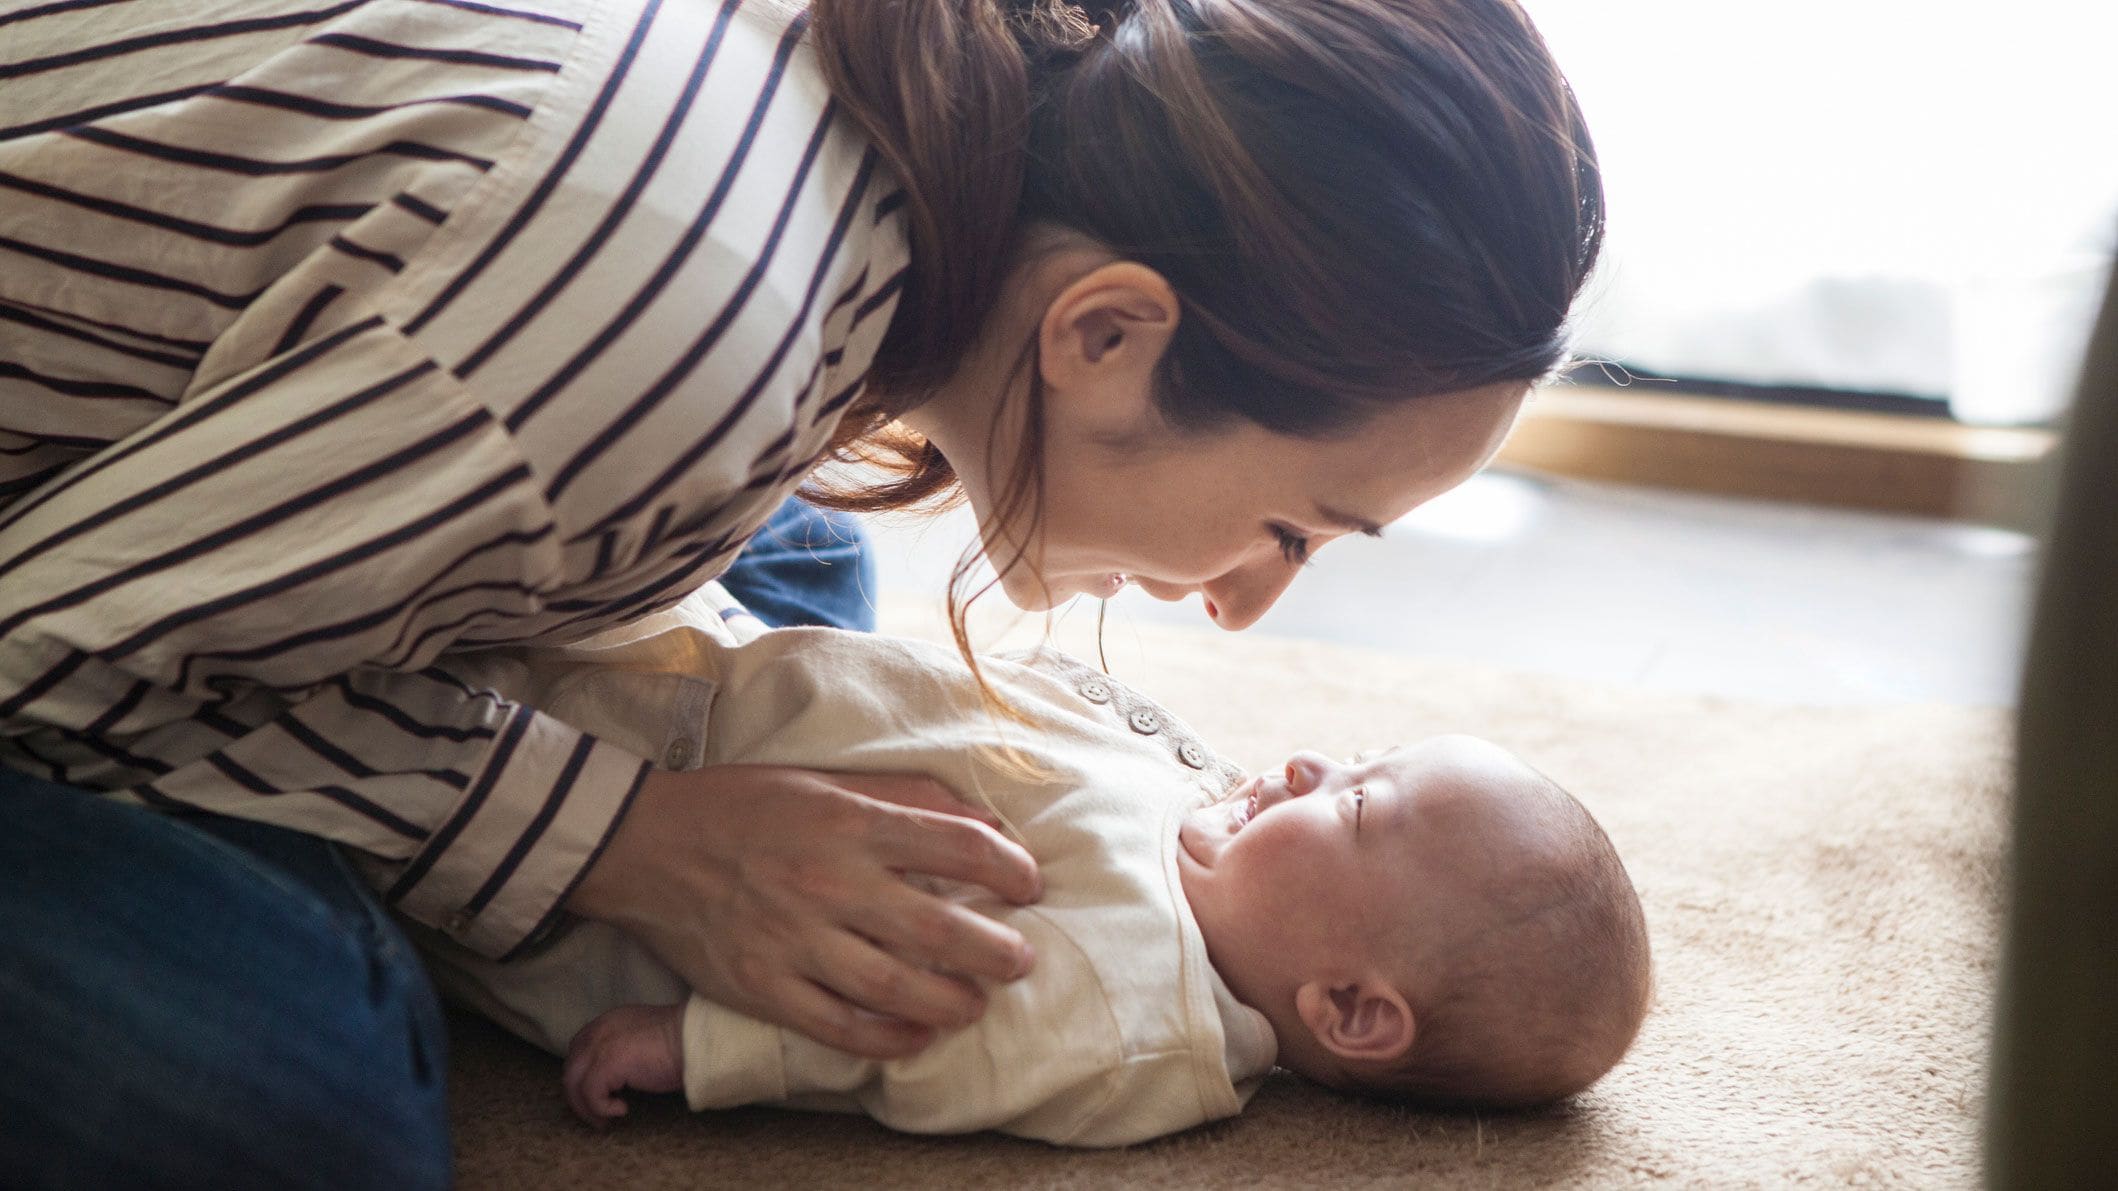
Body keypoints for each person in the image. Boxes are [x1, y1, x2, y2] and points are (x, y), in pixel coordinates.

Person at [0, 0, 1604, 1182]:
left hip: (276, 425)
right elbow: (42, 640)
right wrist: (620, 839)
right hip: (51, 579)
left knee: (806, 564)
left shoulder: (867, 172)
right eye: (1292, 526)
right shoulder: (681, 330)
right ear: (1104, 333)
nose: (1245, 607)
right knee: (300, 1109)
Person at [415, 601, 1652, 1145]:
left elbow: (926, 1032)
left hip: (615, 824)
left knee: (406, 736)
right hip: (711, 673)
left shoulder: (1136, 1015)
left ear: (1349, 1009)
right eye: (1364, 754)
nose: (1314, 758)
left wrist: (699, 1048)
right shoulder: (1220, 854)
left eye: (1360, 802)